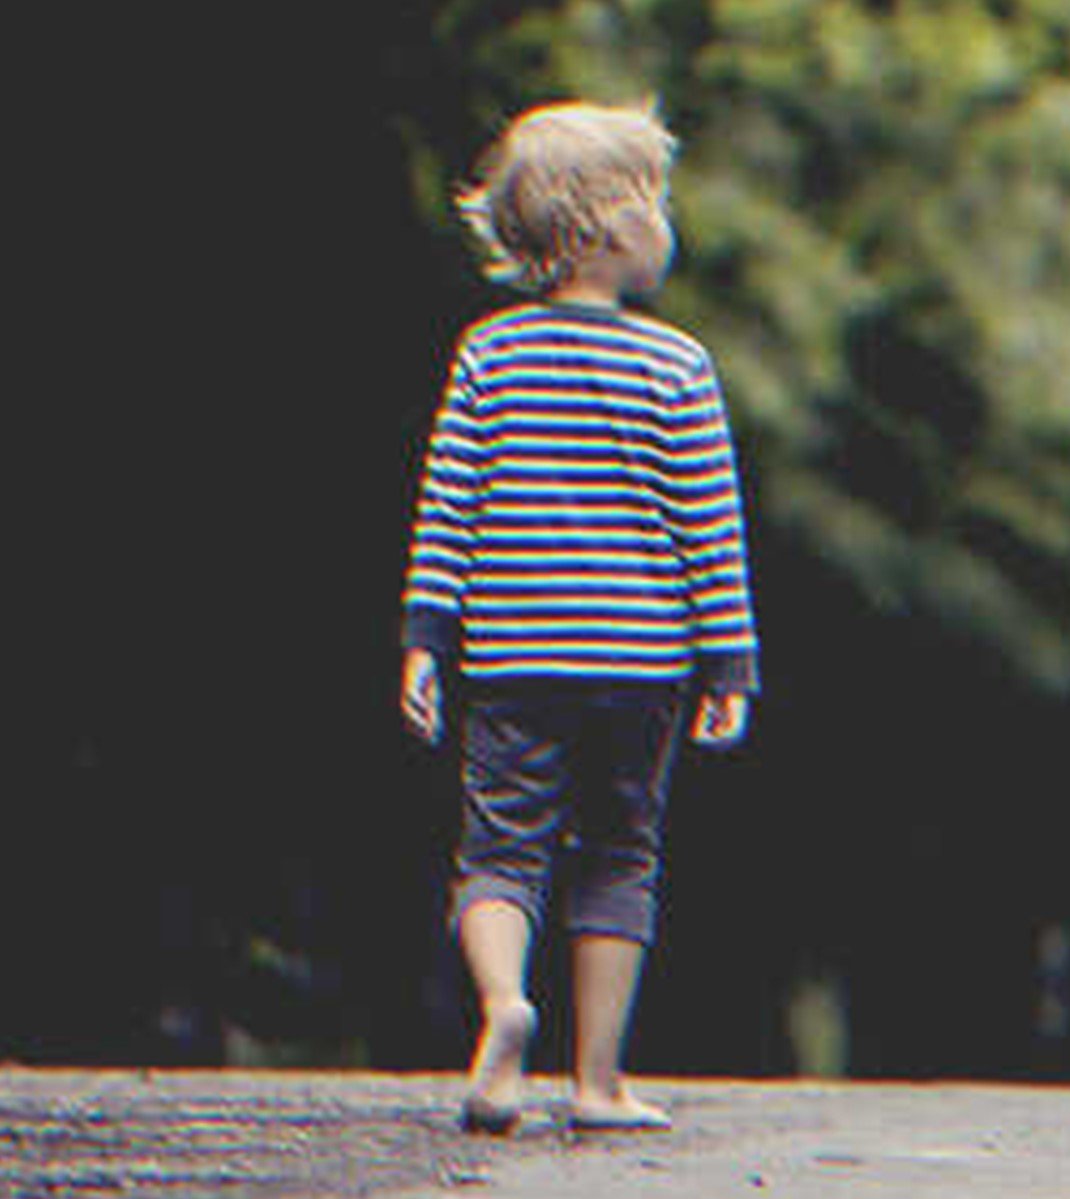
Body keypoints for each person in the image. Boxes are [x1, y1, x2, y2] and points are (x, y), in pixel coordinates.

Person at [398, 100, 760, 1135]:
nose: (669, 223)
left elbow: (448, 503)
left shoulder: (488, 355)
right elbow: (709, 524)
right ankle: (597, 1080)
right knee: (618, 855)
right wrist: (728, 662)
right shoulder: (675, 366)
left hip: (511, 654)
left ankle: (504, 1004)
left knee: (500, 850)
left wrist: (427, 636)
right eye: (660, 203)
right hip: (641, 662)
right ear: (612, 222)